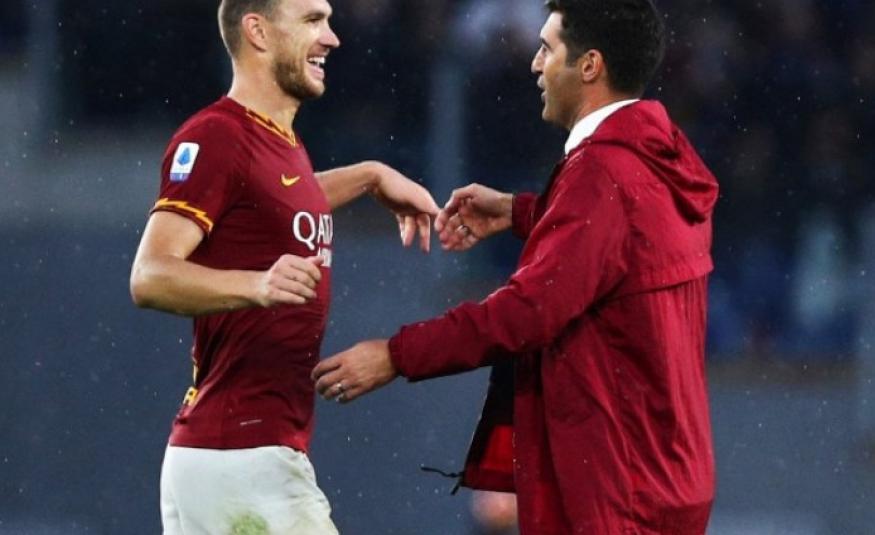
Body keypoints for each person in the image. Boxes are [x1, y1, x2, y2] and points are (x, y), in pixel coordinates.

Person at [313, 0, 719, 533]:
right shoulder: (658, 155)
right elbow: (630, 246)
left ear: (590, 66)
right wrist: (524, 211)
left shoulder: (603, 172)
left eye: (547, 49)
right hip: (665, 471)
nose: (535, 64)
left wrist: (395, 355)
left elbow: (526, 313)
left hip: (617, 485)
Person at [129, 0, 438, 533]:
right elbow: (150, 275)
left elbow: (278, 202)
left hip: (232, 456)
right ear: (258, 31)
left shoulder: (278, 143)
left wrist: (368, 175)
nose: (332, 38)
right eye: (313, 20)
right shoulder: (216, 136)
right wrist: (258, 284)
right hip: (242, 459)